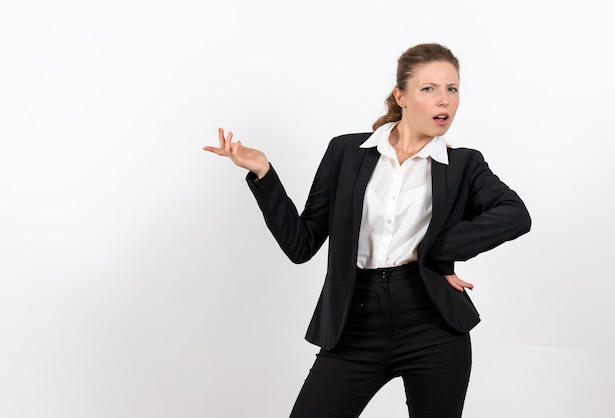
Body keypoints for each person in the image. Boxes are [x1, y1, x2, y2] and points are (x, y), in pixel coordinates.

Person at [203, 43, 531, 418]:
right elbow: (301, 244)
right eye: (429, 89)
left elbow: (515, 214)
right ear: (401, 96)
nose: (444, 101)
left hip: (433, 326)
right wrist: (263, 174)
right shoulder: (346, 153)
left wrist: (437, 253)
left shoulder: (463, 165)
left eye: (452, 89)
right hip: (353, 323)